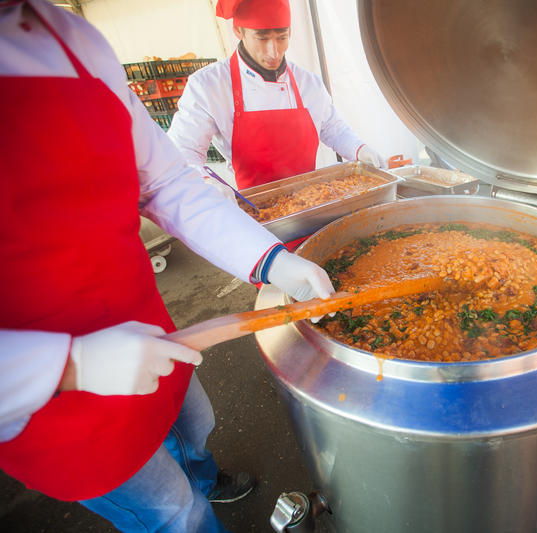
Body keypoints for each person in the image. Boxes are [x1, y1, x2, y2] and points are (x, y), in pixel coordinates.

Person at [0, 1, 335, 531]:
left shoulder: (72, 39)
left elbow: (165, 181)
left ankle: (206, 477)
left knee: (194, 422)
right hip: (44, 402)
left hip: (143, 320)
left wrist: (272, 260)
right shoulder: (209, 85)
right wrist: (69, 365)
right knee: (175, 511)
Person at [168, 0, 386, 193]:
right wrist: (205, 182)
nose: (274, 52)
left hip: (314, 200)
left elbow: (333, 129)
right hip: (258, 212)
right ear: (238, 31)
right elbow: (182, 150)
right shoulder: (209, 85)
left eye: (282, 37)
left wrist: (359, 149)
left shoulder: (307, 82)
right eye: (262, 38)